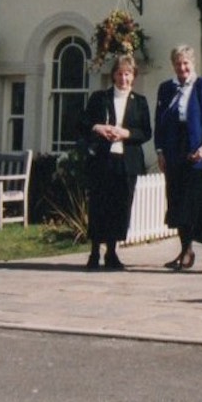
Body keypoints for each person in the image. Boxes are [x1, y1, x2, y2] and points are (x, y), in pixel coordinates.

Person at [80, 55, 152, 270]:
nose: (123, 78)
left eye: (127, 74)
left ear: (134, 77)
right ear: (113, 75)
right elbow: (82, 123)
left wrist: (126, 133)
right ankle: (94, 253)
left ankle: (112, 252)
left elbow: (146, 132)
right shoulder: (99, 98)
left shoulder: (140, 102)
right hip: (102, 160)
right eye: (120, 73)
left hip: (126, 162)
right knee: (99, 206)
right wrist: (98, 128)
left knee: (120, 207)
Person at [153, 45, 202, 271]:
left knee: (191, 203)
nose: (182, 68)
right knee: (176, 202)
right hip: (173, 149)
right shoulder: (166, 88)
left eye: (186, 63)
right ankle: (184, 249)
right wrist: (160, 151)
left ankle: (187, 249)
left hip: (195, 150)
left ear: (193, 63)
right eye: (178, 64)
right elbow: (158, 122)